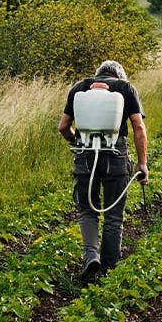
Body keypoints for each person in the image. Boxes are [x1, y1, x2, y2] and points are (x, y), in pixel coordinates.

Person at [58, 60, 149, 281]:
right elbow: (138, 126)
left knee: (87, 210)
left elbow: (63, 126)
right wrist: (142, 163)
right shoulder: (126, 89)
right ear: (119, 75)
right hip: (115, 156)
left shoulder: (79, 88)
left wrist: (75, 141)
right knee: (113, 215)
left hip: (85, 155)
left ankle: (91, 258)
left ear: (98, 74)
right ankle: (110, 269)